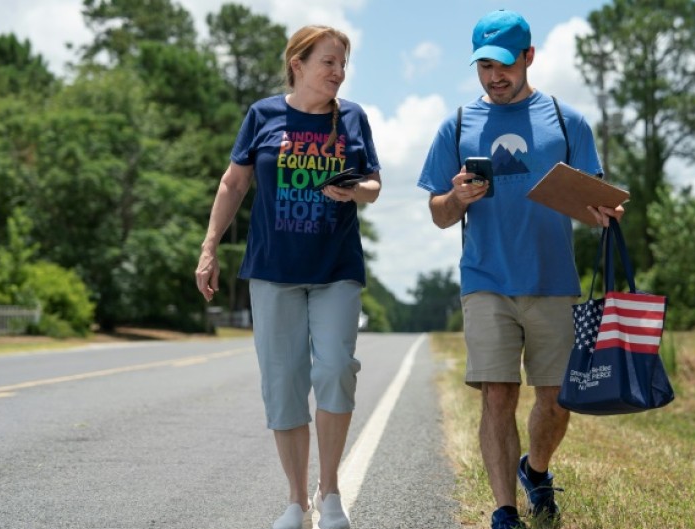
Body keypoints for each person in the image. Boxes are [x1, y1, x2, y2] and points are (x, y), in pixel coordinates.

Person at [417, 9, 623, 529]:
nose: (494, 76)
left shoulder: (567, 121)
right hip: (485, 280)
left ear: (529, 57)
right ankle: (504, 508)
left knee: (556, 401)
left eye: (504, 64)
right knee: (497, 393)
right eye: (484, 66)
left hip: (553, 281)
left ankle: (535, 468)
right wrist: (457, 198)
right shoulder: (458, 125)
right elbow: (439, 215)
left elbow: (592, 203)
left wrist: (604, 212)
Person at [195, 25, 381, 529]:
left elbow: (373, 184)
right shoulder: (263, 114)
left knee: (336, 368)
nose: (338, 73)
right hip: (273, 271)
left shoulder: (352, 118)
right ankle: (296, 501)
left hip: (335, 268)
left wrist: (354, 191)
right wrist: (209, 247)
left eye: (343, 64)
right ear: (298, 63)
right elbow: (234, 182)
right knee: (284, 383)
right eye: (328, 62)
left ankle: (331, 492)